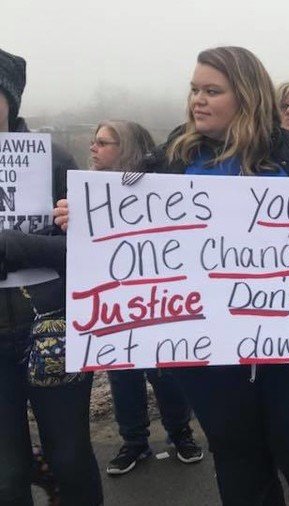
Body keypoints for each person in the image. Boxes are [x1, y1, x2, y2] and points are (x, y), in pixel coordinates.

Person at [60, 46, 289, 505]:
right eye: (194, 90)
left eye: (212, 90)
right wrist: (83, 219)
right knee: (238, 460)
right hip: (212, 356)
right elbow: (122, 222)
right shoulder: (174, 154)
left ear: (246, 96)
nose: (197, 101)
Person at [0, 46, 102, 506]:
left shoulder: (55, 159)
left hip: (52, 327)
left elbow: (93, 248)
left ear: (10, 100)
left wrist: (13, 246)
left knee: (71, 457)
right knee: (6, 470)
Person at [82, 120, 206, 475]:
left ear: (128, 149)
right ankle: (133, 442)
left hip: (158, 296)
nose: (93, 147)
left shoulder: (159, 187)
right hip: (112, 298)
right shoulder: (84, 190)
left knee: (166, 371)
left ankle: (180, 434)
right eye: (94, 141)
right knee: (122, 375)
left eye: (103, 142)